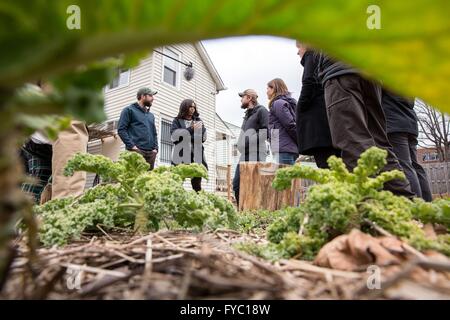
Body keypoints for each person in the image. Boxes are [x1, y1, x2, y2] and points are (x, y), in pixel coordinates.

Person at [316, 52, 414, 198]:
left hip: (341, 71)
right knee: (380, 145)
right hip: (371, 73)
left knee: (353, 142)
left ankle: (368, 206)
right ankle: (405, 202)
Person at [382, 89, 432, 201]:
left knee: (404, 165)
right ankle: (427, 203)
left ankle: (416, 204)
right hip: (410, 124)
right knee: (415, 166)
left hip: (394, 124)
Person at [295, 42, 340, 168]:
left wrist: (301, 107)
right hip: (327, 121)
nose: (297, 52)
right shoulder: (322, 59)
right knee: (334, 164)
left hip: (317, 125)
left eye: (299, 47)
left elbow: (309, 81)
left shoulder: (311, 55)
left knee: (326, 166)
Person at [233, 89, 269, 205]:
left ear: (249, 98)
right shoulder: (247, 115)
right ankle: (242, 212)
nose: (240, 99)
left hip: (257, 153)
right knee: (237, 184)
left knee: (254, 185)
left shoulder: (262, 111)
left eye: (242, 97)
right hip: (245, 154)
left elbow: (265, 133)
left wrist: (246, 142)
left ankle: (255, 213)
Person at [170, 99, 208, 192]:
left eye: (194, 107)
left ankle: (197, 205)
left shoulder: (198, 121)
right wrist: (191, 129)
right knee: (177, 184)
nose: (193, 109)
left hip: (197, 156)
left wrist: (184, 135)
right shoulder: (177, 121)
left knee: (196, 186)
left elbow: (202, 138)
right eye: (190, 107)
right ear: (185, 107)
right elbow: (174, 137)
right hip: (180, 156)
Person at [118, 87, 159, 170]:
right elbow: (121, 130)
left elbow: (154, 133)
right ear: (143, 96)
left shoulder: (151, 115)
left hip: (151, 154)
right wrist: (132, 147)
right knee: (134, 179)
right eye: (150, 96)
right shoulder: (128, 110)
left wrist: (155, 149)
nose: (153, 98)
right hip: (136, 152)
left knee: (148, 181)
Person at [266, 78, 298, 165]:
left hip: (284, 150)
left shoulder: (278, 103)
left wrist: (299, 141)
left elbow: (290, 125)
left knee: (284, 178)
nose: (266, 91)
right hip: (282, 149)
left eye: (268, 88)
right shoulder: (278, 104)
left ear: (274, 88)